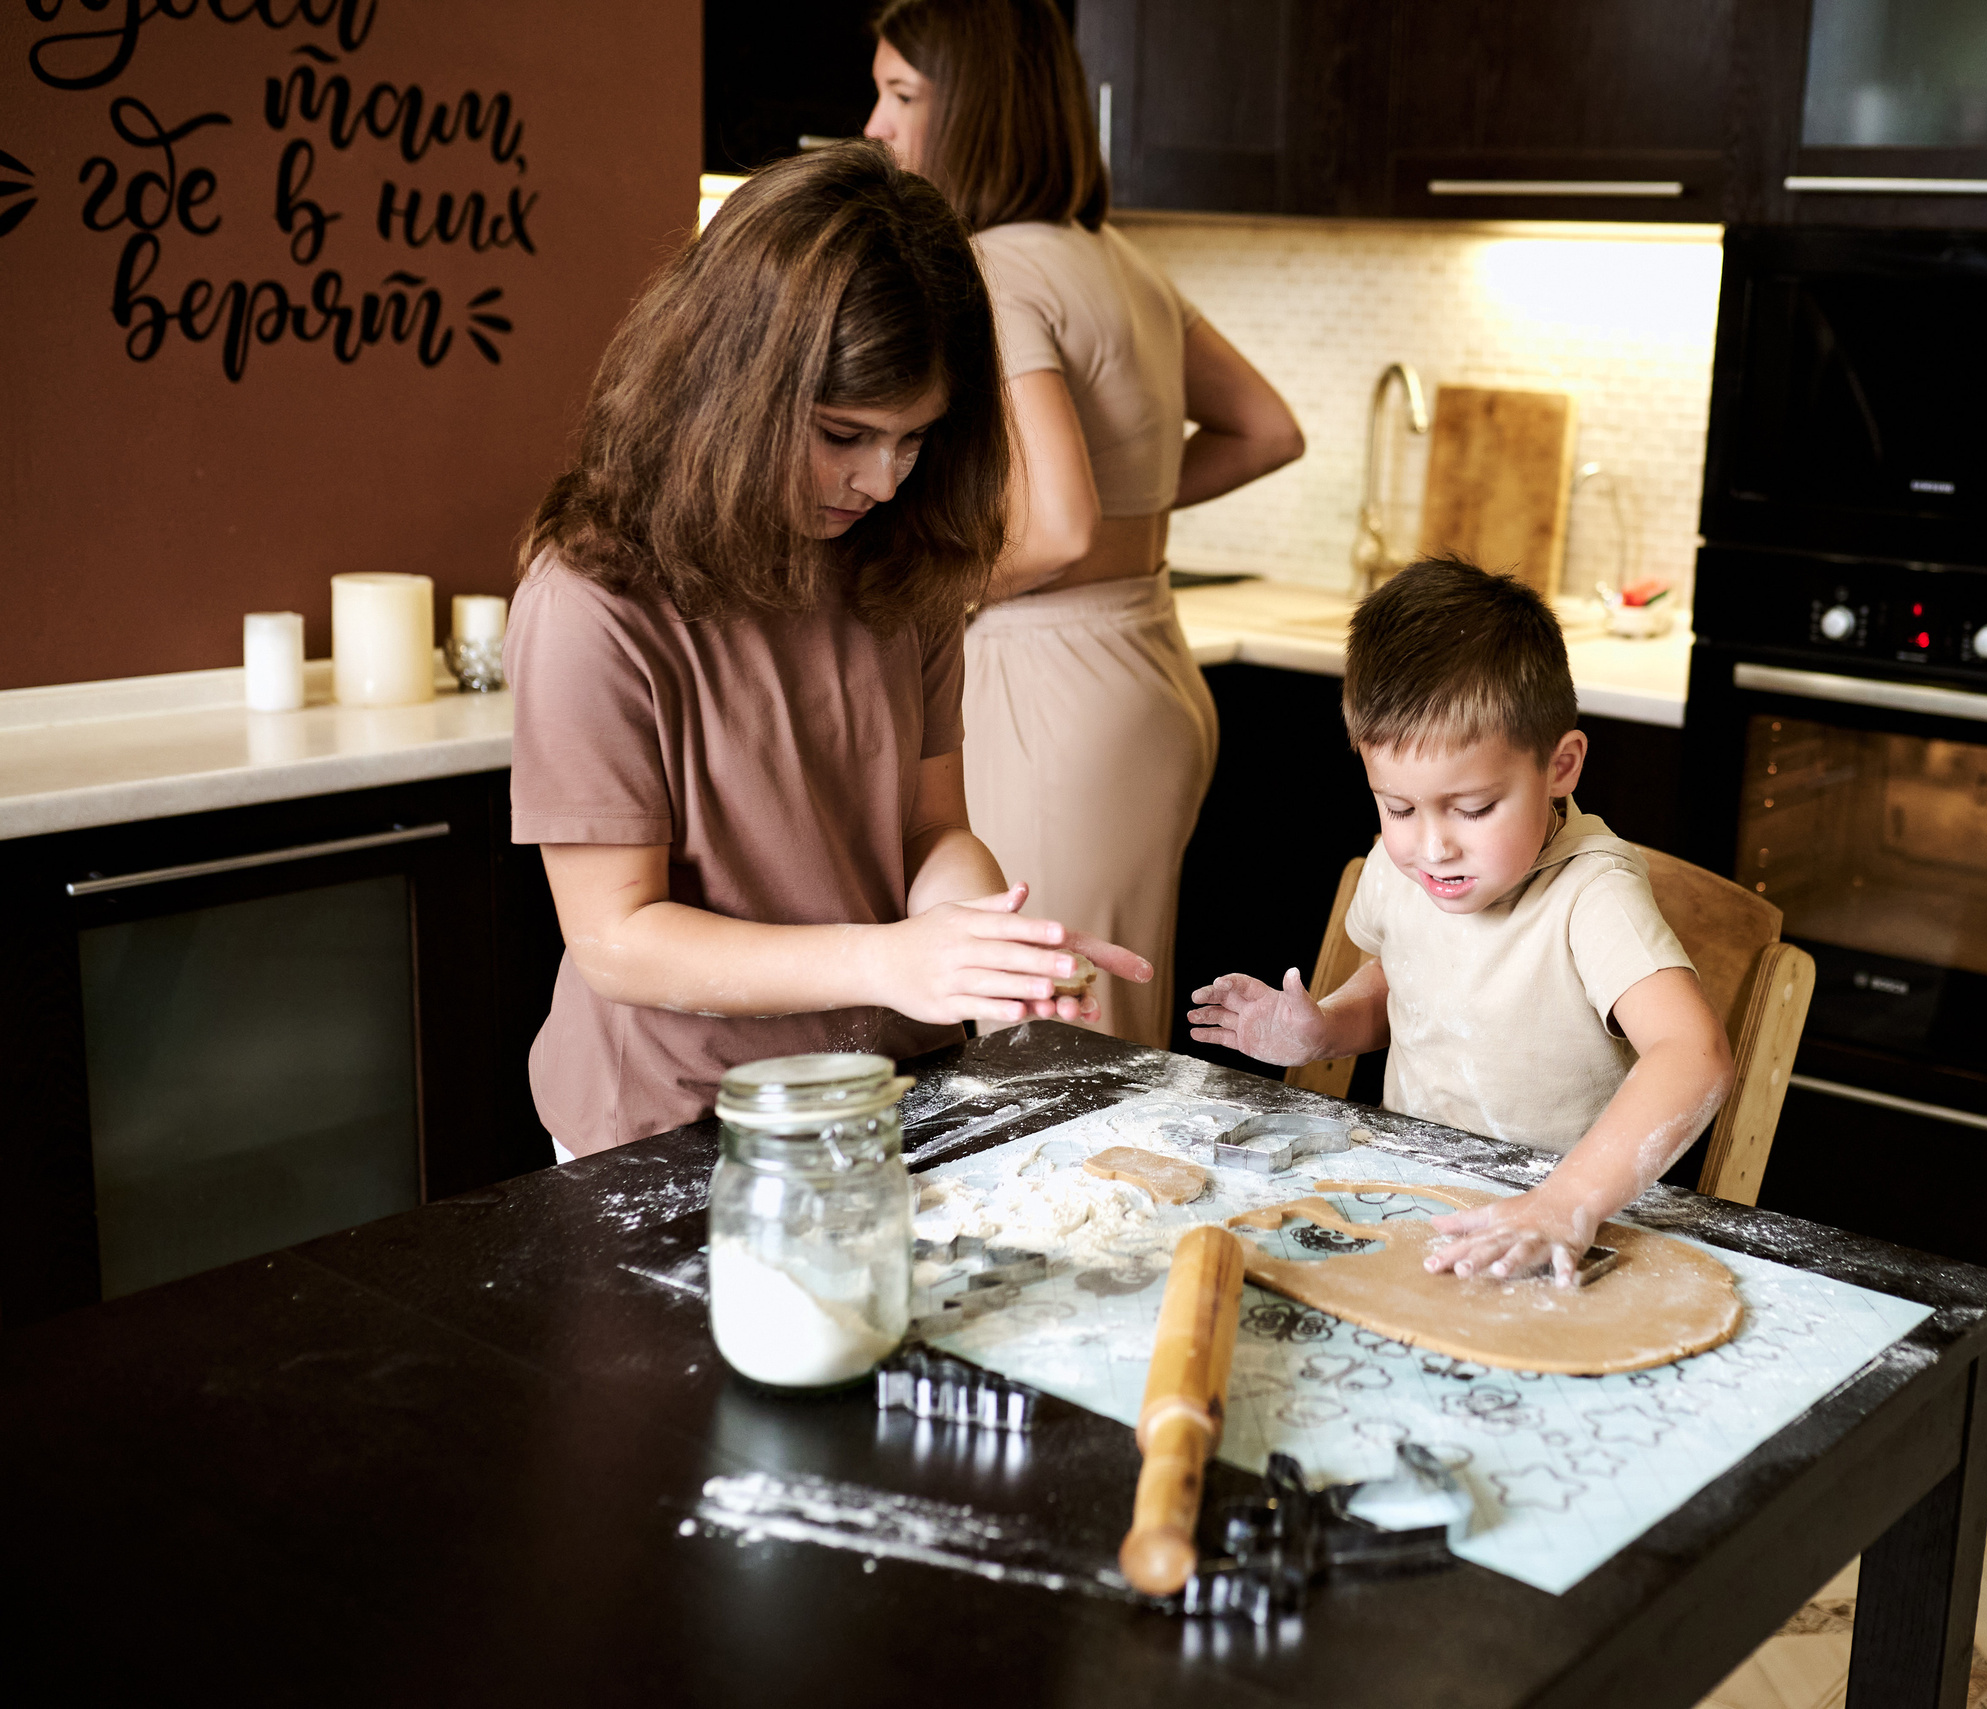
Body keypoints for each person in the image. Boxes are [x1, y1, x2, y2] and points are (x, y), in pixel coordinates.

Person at [505, 142, 1145, 1158]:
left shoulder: (902, 555)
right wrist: (889, 961)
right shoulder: (596, 597)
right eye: (842, 434)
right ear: (732, 390)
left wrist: (986, 948)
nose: (882, 481)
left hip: (891, 1088)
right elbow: (614, 937)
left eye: (914, 439)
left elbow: (930, 834)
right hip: (679, 1121)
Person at [864, 0, 1305, 1050]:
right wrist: (1128, 523)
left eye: (900, 96)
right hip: (1146, 667)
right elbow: (1264, 430)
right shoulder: (1121, 262)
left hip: (1052, 691)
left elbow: (1056, 527)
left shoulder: (993, 267)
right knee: (1096, 1016)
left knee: (1049, 1034)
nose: (874, 126)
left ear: (971, 109)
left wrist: (920, 587)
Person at [1187, 559, 1736, 1284]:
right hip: (1416, 1202)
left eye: (1473, 809)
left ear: (1561, 766)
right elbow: (1398, 983)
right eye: (1399, 807)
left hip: (1565, 1236)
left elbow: (1693, 1054)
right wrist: (1325, 1028)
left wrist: (1567, 1201)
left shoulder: (1591, 893)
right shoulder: (1400, 864)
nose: (1434, 845)